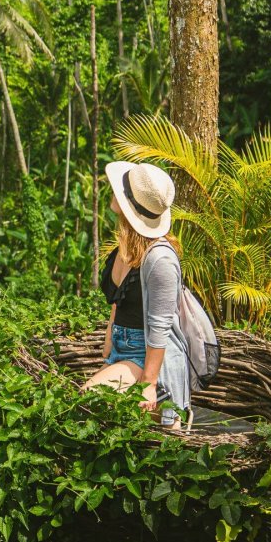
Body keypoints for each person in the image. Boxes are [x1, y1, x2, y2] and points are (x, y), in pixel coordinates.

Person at [81, 161, 190, 430]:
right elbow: (121, 298)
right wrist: (110, 336)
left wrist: (149, 384)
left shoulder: (161, 258)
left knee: (88, 401)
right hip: (122, 350)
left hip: (147, 357)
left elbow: (161, 325)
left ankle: (173, 417)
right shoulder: (126, 245)